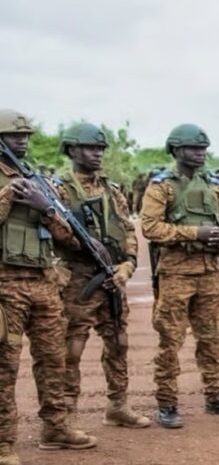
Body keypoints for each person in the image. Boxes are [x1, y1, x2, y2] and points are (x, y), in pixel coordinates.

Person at [0, 110, 99, 465]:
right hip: (5, 285)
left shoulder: (40, 180)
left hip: (44, 282)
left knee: (53, 359)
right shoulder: (9, 181)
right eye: (15, 136)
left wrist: (45, 210)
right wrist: (10, 195)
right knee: (4, 365)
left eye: (26, 135)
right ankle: (3, 443)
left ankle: (55, 428)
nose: (23, 141)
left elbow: (68, 238)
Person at [141, 123, 219, 429]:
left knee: (210, 339)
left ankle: (215, 396)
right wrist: (196, 232)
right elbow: (151, 228)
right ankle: (167, 403)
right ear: (176, 150)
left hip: (210, 273)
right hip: (176, 273)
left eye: (203, 149)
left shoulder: (212, 185)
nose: (200, 154)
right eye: (193, 149)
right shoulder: (162, 186)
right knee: (171, 340)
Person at [55, 123, 150, 428]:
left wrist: (128, 265)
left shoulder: (112, 189)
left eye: (100, 149)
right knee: (72, 347)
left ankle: (117, 405)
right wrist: (81, 244)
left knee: (118, 341)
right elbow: (57, 232)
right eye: (90, 148)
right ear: (72, 150)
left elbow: (127, 229)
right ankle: (66, 414)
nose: (97, 154)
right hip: (78, 278)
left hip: (112, 277)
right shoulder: (59, 189)